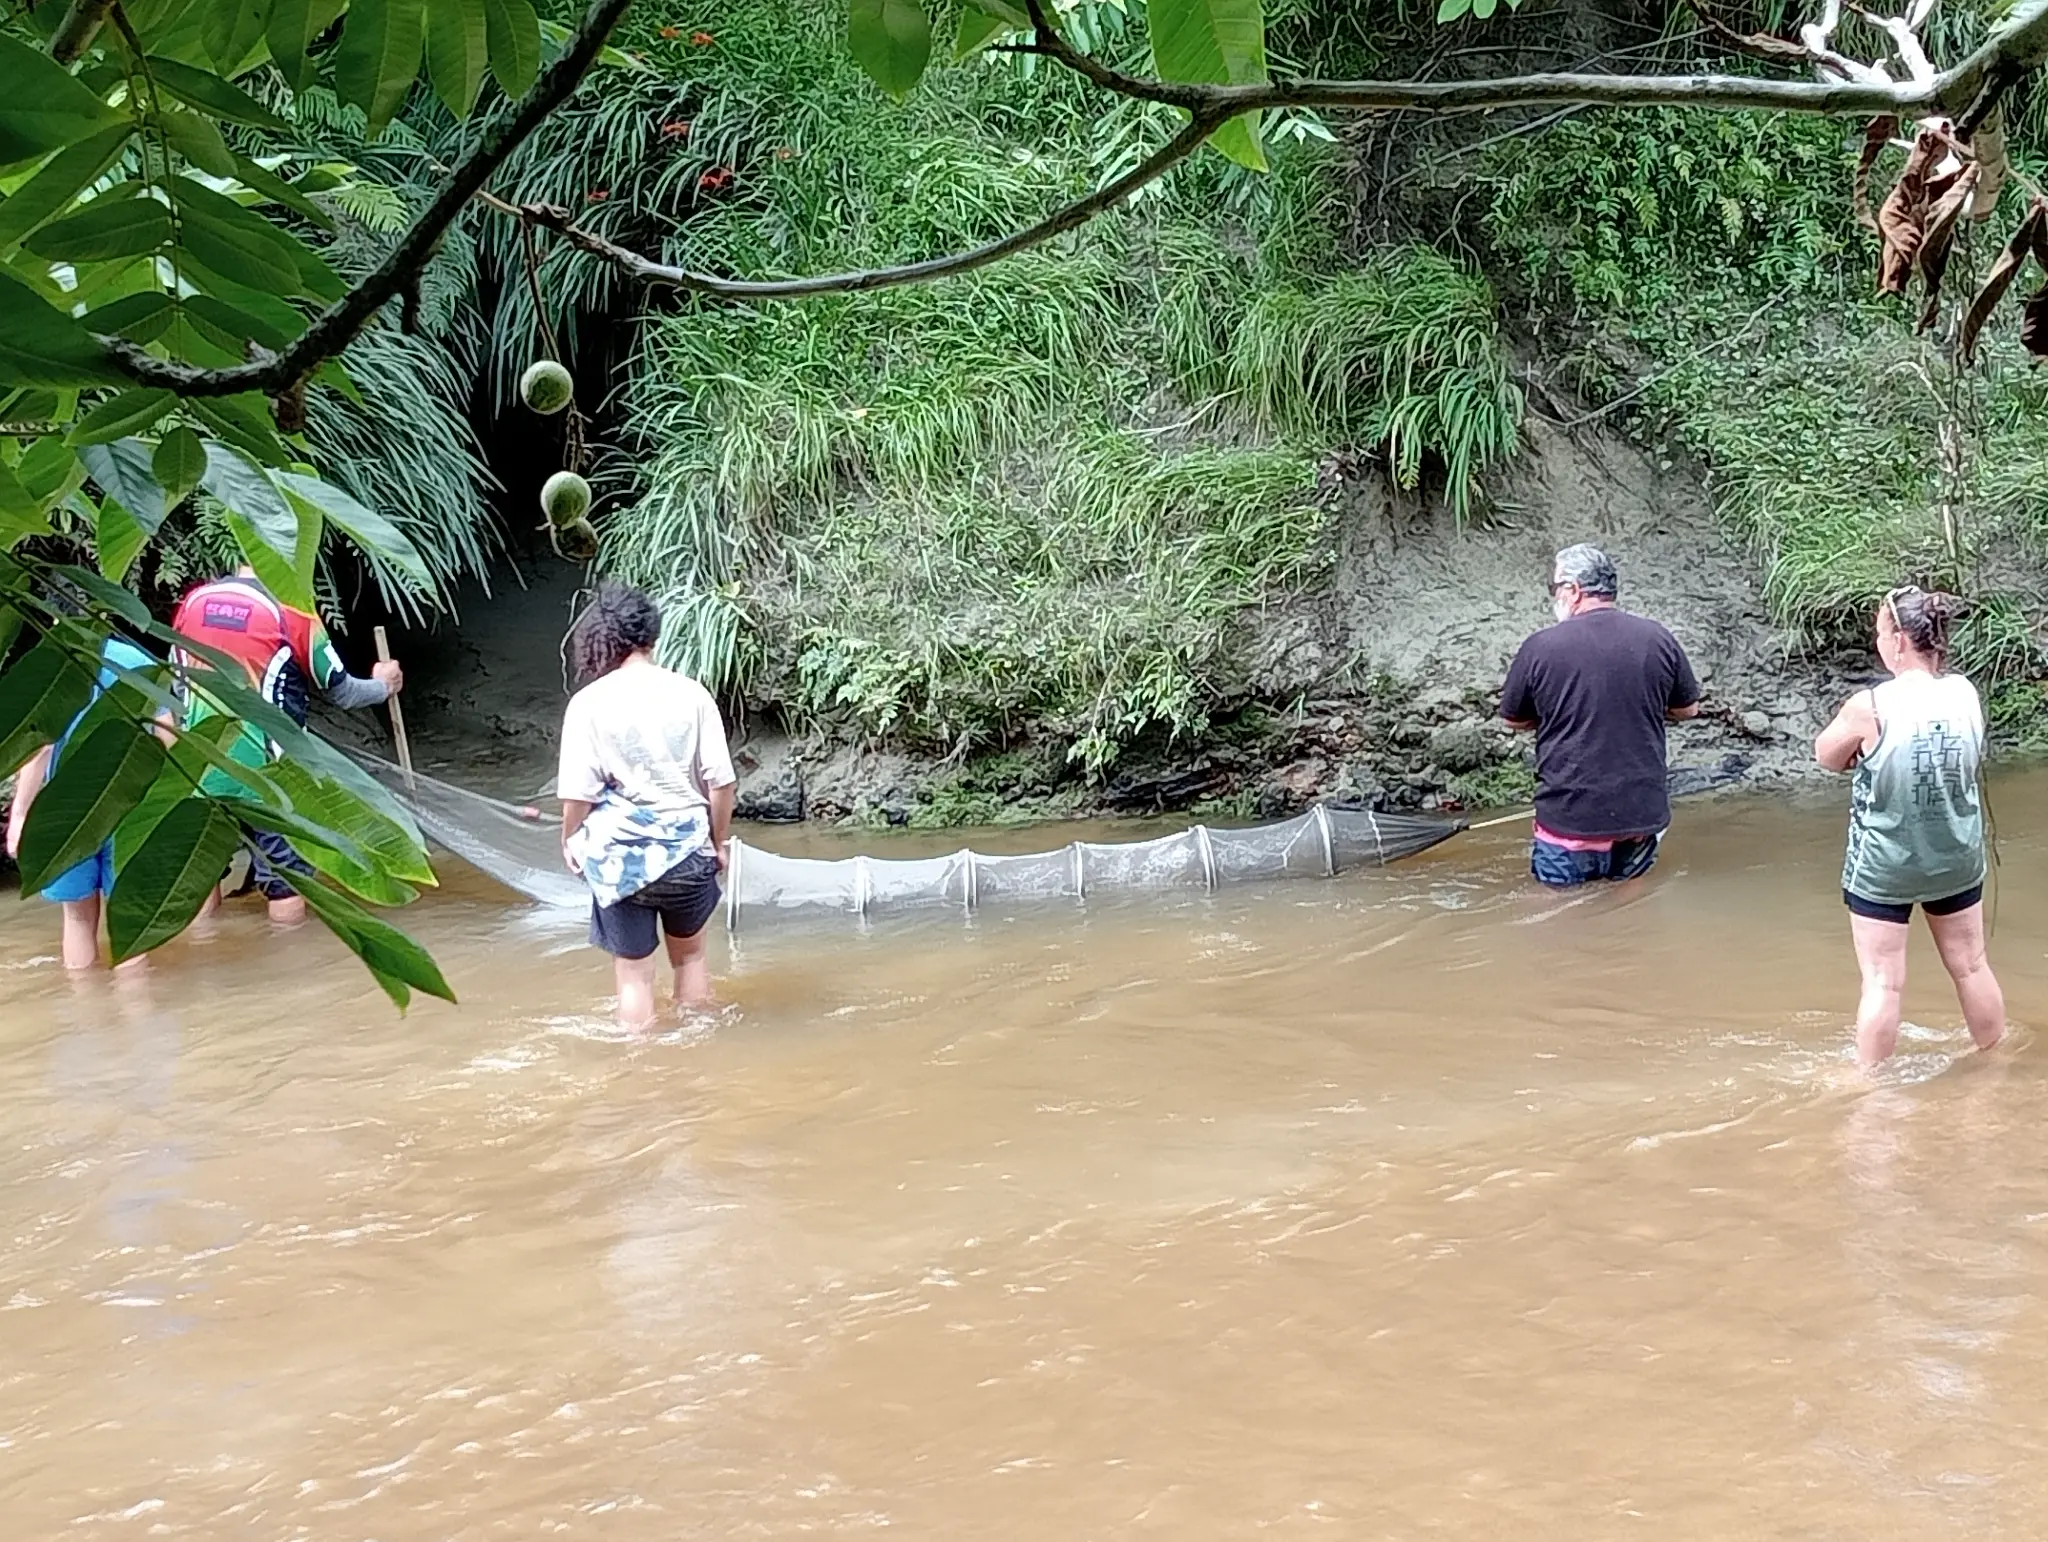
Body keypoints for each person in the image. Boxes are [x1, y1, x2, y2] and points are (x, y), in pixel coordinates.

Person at [1815, 585, 2003, 1068]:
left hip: (1887, 864)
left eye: (1880, 632)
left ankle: (1870, 1091)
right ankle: (1996, 1062)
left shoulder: (1870, 706)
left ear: (1898, 640)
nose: (1877, 641)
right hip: (1956, 857)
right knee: (1971, 966)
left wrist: (1862, 748)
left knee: (1882, 982)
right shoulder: (1964, 693)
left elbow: (1826, 756)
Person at [170, 567, 402, 925]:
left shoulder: (194, 602)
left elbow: (177, 689)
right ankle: (289, 963)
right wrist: (383, 684)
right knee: (286, 884)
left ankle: (206, 967)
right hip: (271, 778)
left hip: (199, 768)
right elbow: (343, 691)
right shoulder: (292, 610)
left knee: (200, 879)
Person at [556, 583, 736, 1027]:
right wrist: (718, 843)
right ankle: (701, 1049)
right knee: (690, 959)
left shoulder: (588, 704)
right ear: (651, 637)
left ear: (602, 640)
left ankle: (639, 1073)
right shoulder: (692, 694)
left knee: (634, 976)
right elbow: (722, 784)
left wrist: (569, 841)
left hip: (620, 860)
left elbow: (577, 795)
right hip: (689, 854)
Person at [1499, 543, 1702, 886]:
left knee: (1559, 918)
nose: (1554, 597)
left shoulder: (1541, 645)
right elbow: (1687, 710)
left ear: (1573, 589)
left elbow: (1513, 719)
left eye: (1555, 588)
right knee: (1631, 911)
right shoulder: (1658, 638)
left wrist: (1553, 716)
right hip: (1640, 816)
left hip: (1570, 818)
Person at [5, 633, 171, 969]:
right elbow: (166, 734)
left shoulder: (50, 670)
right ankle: (136, 1011)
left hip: (64, 811)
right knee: (129, 922)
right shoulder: (137, 662)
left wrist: (20, 816)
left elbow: (40, 748)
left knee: (77, 919)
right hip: (127, 804)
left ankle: (85, 1014)